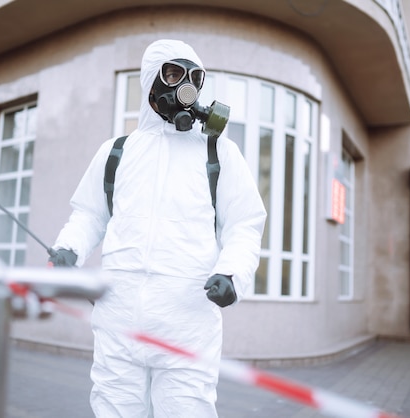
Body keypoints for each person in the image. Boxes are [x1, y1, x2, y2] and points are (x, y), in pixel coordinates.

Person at [50, 39, 266, 417]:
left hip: (187, 322)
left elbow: (245, 224)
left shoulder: (219, 153)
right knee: (114, 408)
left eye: (195, 77)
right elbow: (88, 214)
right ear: (151, 81)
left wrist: (232, 272)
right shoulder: (116, 152)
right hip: (118, 318)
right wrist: (70, 247)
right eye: (173, 73)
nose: (186, 87)